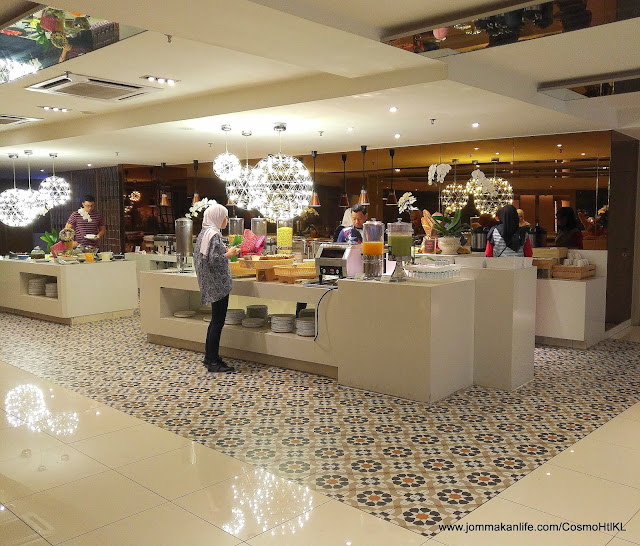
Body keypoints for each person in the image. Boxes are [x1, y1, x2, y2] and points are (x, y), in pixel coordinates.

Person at [194, 204, 241, 373]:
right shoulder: (213, 235)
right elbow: (213, 260)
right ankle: (213, 361)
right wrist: (229, 254)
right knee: (217, 322)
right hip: (218, 285)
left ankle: (210, 357)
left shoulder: (204, 233)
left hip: (211, 283)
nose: (226, 220)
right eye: (225, 217)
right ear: (217, 217)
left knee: (215, 321)